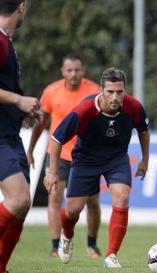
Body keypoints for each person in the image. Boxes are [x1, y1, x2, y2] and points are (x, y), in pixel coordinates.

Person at [43, 67, 150, 268]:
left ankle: (111, 255)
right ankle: (67, 235)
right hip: (85, 161)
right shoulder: (83, 110)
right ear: (101, 90)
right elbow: (57, 139)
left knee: (122, 196)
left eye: (119, 91)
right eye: (110, 91)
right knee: (73, 210)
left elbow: (144, 130)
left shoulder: (134, 106)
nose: (115, 97)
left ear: (125, 90)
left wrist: (145, 159)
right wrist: (53, 173)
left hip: (116, 159)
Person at [27, 53, 102, 258]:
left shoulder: (95, 91)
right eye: (69, 70)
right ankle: (54, 246)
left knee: (92, 201)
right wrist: (31, 150)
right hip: (58, 154)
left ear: (83, 71)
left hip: (86, 156)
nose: (73, 74)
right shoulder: (51, 92)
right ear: (62, 71)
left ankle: (92, 244)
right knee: (54, 198)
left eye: (77, 70)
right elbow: (40, 124)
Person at [0, 1, 39, 273]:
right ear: (21, 6)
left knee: (22, 207)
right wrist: (19, 99)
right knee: (19, 199)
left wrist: (20, 110)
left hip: (11, 135)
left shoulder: (6, 41)